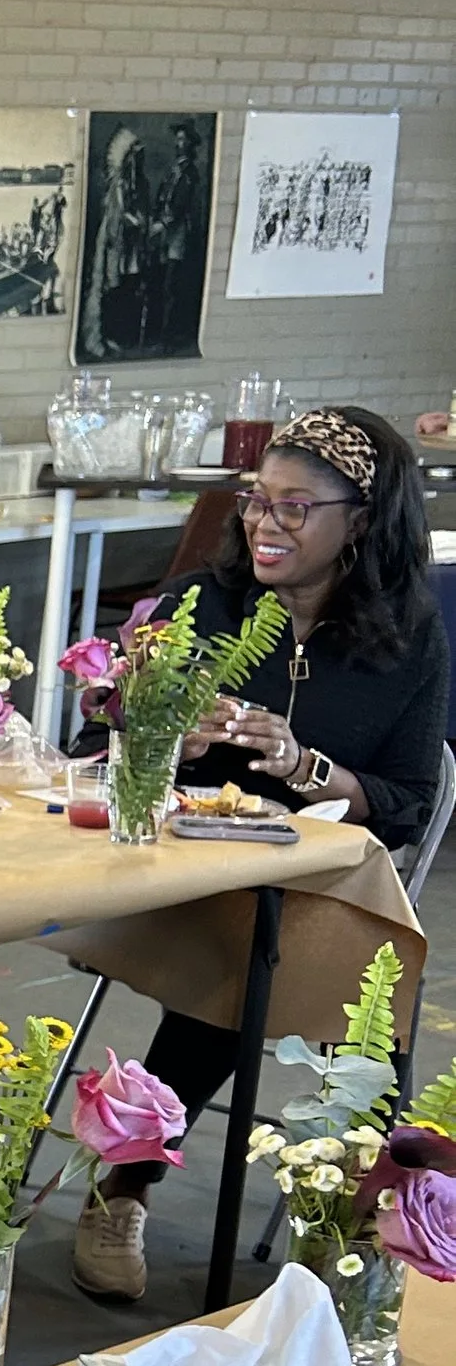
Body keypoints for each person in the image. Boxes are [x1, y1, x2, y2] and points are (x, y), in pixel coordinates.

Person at [74, 405, 452, 1303]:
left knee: (351, 969)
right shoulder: (206, 603)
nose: (264, 524)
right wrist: (168, 730)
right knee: (253, 946)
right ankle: (127, 1186)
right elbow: (94, 733)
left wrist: (303, 762)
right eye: (255, 502)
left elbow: (408, 802)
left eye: (295, 507)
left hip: (316, 879)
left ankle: (355, 1220)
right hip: (180, 869)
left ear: (360, 519)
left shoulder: (409, 637)